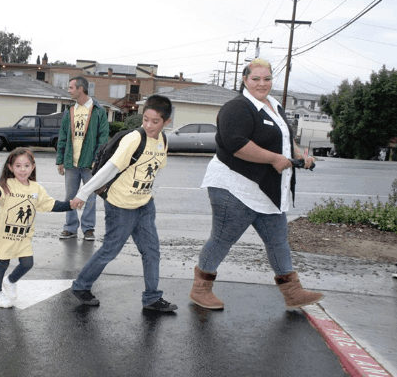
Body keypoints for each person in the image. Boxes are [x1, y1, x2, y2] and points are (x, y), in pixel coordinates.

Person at [190, 58, 323, 310]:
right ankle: (201, 289)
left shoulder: (274, 105)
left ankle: (292, 292)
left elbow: (284, 140)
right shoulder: (237, 107)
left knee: (278, 239)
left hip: (267, 191)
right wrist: (274, 159)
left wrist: (299, 156)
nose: (262, 84)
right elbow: (235, 143)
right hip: (234, 186)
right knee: (222, 238)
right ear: (244, 80)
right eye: (256, 79)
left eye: (267, 79)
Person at [70, 95, 178, 312]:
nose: (148, 125)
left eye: (155, 121)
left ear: (166, 122)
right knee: (111, 249)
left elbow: (157, 170)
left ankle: (152, 298)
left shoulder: (163, 141)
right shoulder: (134, 139)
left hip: (144, 205)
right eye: (145, 119)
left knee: (152, 251)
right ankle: (81, 286)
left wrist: (152, 194)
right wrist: (83, 193)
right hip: (120, 205)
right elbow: (109, 169)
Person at [0, 148, 76, 308]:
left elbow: (51, 204)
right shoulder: (6, 185)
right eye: (18, 166)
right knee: (2, 264)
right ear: (10, 168)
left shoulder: (36, 189)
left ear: (33, 167)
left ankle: (10, 281)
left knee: (27, 263)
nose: (22, 169)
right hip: (6, 235)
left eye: (26, 165)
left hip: (24, 236)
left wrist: (70, 205)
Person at [56, 76, 109, 241]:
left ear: (80, 89)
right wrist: (60, 160)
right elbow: (63, 136)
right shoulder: (70, 111)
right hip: (71, 161)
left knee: (91, 196)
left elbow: (103, 139)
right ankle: (70, 228)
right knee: (70, 196)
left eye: (71, 87)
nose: (69, 90)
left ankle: (88, 229)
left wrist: (98, 160)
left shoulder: (98, 111)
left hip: (90, 163)